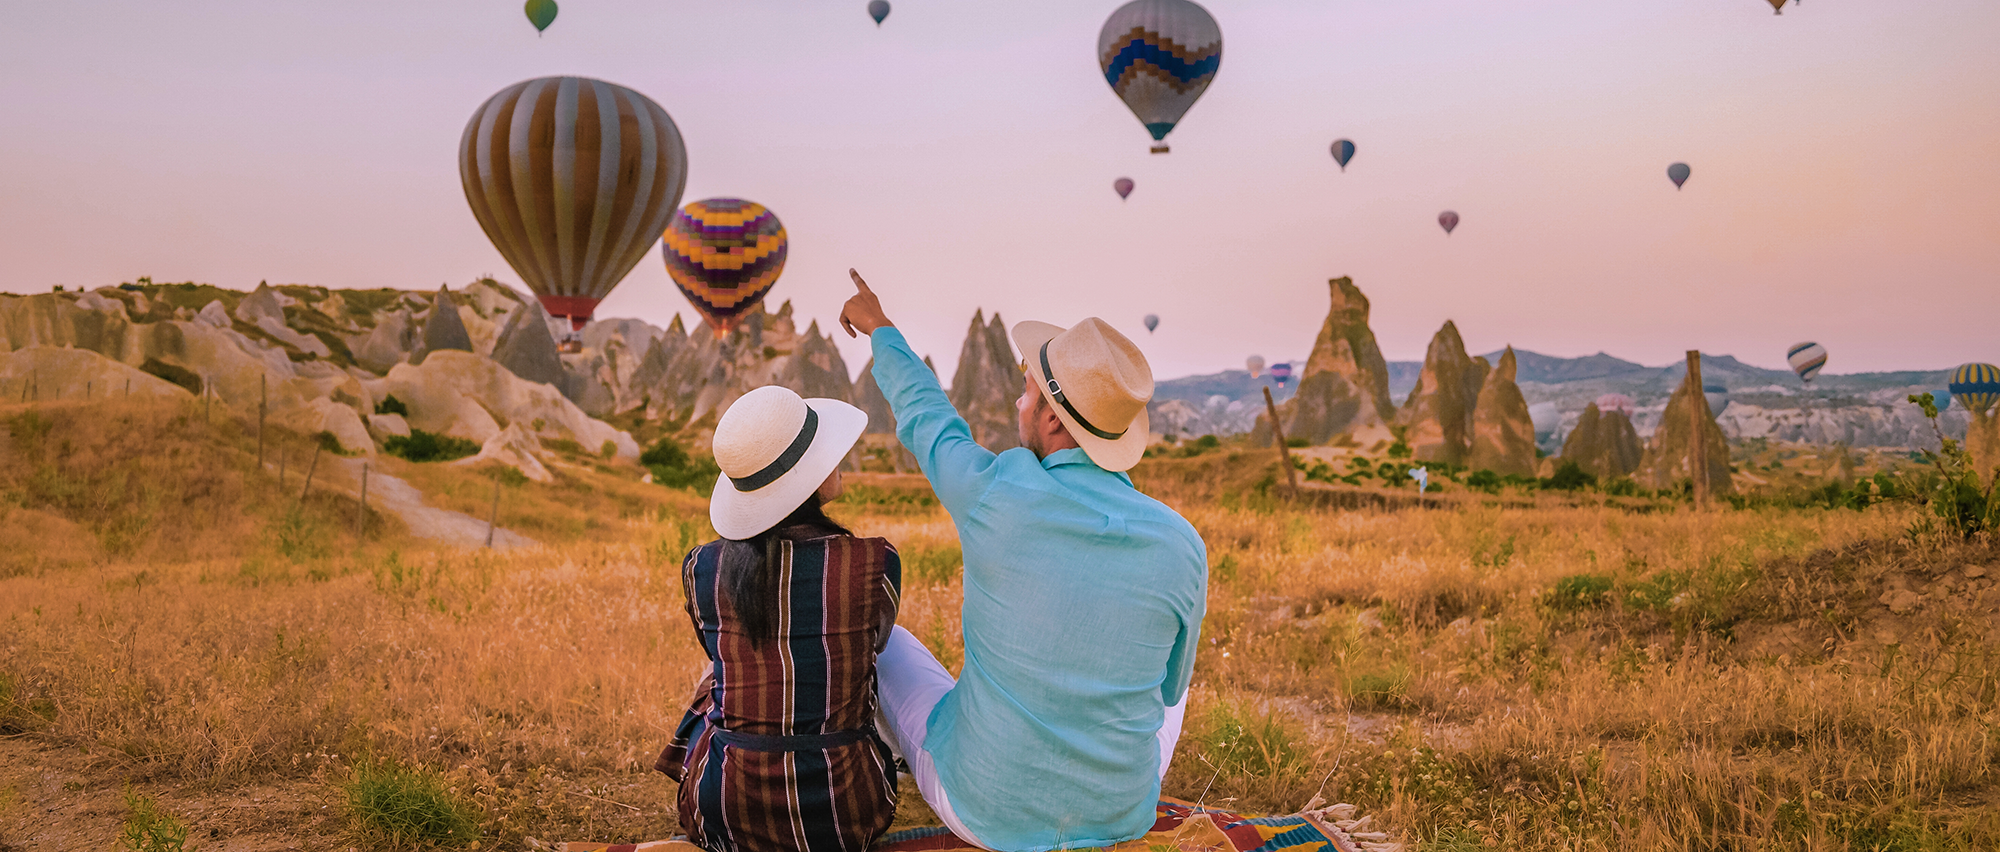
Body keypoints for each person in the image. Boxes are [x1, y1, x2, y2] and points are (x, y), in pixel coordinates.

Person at [837, 270, 1208, 852]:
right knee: (1173, 680)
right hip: (1122, 814)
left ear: (1053, 419)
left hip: (985, 812)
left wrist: (880, 327)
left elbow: (927, 420)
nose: (1018, 399)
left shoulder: (994, 492)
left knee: (887, 643)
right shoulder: (1184, 542)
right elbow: (1168, 689)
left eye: (1028, 389)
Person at [655, 385, 902, 852]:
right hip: (848, 814)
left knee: (718, 677)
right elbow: (878, 645)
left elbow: (715, 653)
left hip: (727, 813)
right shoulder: (874, 563)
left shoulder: (701, 569)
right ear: (805, 479)